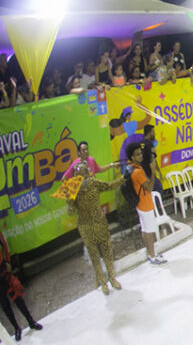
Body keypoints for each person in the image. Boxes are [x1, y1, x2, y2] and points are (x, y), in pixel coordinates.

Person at [54, 161, 125, 295]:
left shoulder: (94, 182)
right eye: (80, 173)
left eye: (86, 172)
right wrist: (69, 203)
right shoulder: (72, 188)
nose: (84, 175)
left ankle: (112, 278)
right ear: (75, 175)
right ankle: (102, 281)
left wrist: (123, 179)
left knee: (107, 250)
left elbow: (110, 186)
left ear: (88, 173)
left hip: (99, 221)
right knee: (94, 254)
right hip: (85, 225)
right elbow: (70, 212)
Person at [127, 142, 166, 264]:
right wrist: (153, 172)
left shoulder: (132, 168)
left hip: (140, 204)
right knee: (150, 230)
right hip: (145, 204)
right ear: (132, 157)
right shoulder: (138, 172)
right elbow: (149, 187)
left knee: (145, 229)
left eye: (140, 153)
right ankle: (153, 255)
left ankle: (150, 253)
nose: (140, 156)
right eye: (137, 155)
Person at [0, 232, 43, 341]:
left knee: (17, 297)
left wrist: (8, 262)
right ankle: (16, 328)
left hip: (3, 269)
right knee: (5, 304)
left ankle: (31, 321)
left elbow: (3, 244)